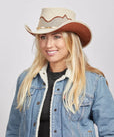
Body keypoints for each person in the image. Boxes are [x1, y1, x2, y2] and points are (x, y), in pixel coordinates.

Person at [6, 8, 114, 137]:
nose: (48, 45)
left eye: (57, 37)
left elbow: (109, 131)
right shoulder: (26, 79)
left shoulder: (94, 82)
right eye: (43, 37)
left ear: (71, 41)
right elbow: (13, 130)